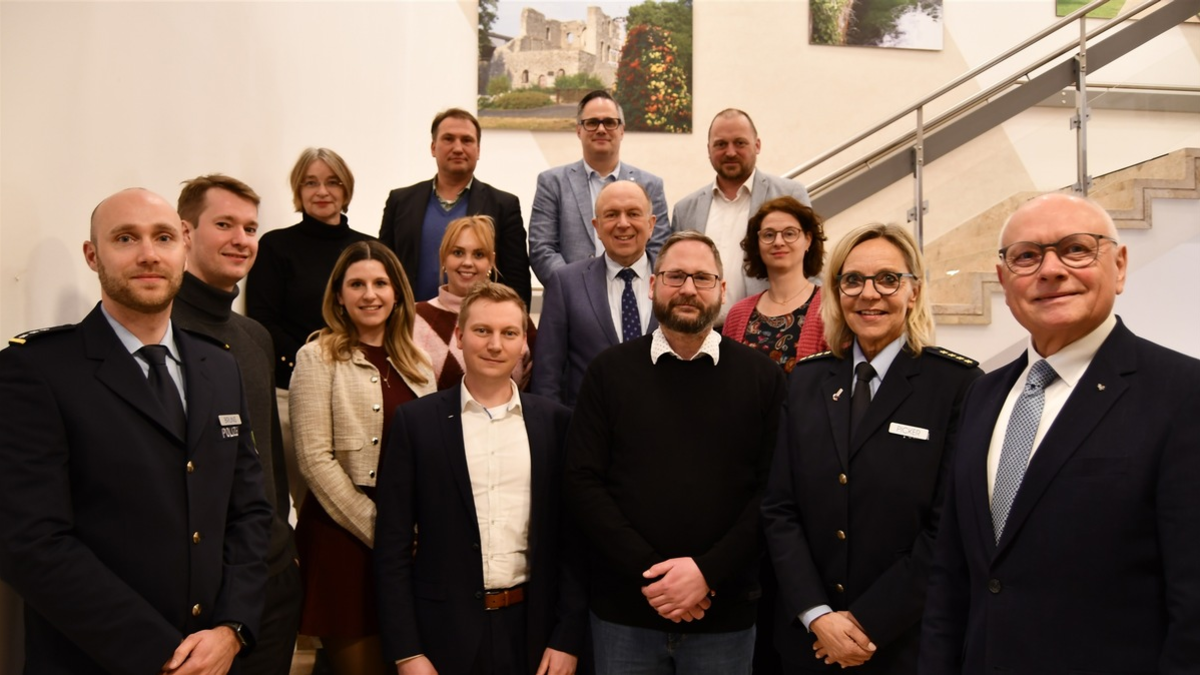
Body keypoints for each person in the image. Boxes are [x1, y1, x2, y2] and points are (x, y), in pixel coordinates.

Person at [919, 193, 1200, 673]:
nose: (1050, 270)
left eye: (1076, 249)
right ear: (1005, 280)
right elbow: (953, 573)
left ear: (1120, 266)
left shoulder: (1182, 394)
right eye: (1026, 256)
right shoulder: (982, 395)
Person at [0, 188, 271, 674]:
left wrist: (233, 629)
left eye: (163, 237)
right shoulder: (37, 370)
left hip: (215, 655)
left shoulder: (218, 366)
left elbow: (249, 512)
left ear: (183, 247)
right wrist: (162, 655)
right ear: (92, 255)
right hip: (98, 659)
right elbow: (32, 543)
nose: (148, 253)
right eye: (126, 238)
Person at [761, 223, 981, 674]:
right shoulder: (807, 380)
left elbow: (948, 527)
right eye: (853, 280)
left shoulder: (956, 385)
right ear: (837, 292)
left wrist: (866, 623)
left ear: (913, 291)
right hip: (809, 644)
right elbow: (780, 508)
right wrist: (817, 615)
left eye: (887, 279)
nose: (869, 294)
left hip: (902, 643)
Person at [564, 231, 786, 674]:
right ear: (651, 285)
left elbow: (774, 492)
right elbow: (582, 482)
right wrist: (656, 575)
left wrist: (706, 574)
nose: (688, 288)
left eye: (702, 278)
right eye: (675, 276)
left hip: (725, 615)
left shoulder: (763, 377)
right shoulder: (609, 372)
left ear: (723, 291)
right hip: (624, 613)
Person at [376, 281, 586, 675]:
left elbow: (573, 540)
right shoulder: (416, 423)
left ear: (524, 341)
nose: (495, 345)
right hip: (441, 636)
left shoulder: (556, 423)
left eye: (509, 333)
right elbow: (392, 546)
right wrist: (407, 651)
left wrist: (567, 637)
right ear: (459, 335)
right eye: (482, 331)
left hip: (534, 632)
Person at [174, 174, 303, 675]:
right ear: (186, 233)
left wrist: (284, 547)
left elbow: (267, 456)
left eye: (250, 228)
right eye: (224, 224)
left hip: (270, 574)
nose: (241, 239)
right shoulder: (163, 332)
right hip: (201, 585)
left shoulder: (254, 337)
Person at [288, 241, 436, 675]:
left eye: (380, 283)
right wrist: (385, 533)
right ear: (338, 295)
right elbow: (314, 461)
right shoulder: (317, 357)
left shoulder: (418, 363)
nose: (369, 294)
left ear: (396, 294)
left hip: (410, 540)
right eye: (356, 284)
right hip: (345, 541)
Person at [246, 147, 374, 506]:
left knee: (354, 498)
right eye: (311, 183)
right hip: (293, 390)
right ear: (298, 191)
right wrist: (316, 362)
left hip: (356, 389)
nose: (322, 191)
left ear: (346, 190)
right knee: (306, 502)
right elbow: (263, 321)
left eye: (332, 182)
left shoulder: (369, 250)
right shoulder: (275, 246)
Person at [379, 108, 531, 306]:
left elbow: (516, 279)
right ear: (433, 147)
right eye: (448, 139)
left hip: (478, 326)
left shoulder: (503, 206)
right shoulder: (400, 201)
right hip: (407, 325)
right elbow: (382, 268)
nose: (458, 148)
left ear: (478, 150)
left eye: (467, 140)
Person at [672, 109, 812, 321]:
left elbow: (812, 265)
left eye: (740, 143)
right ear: (708, 149)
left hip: (769, 330)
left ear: (757, 145)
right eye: (720, 144)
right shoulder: (685, 209)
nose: (730, 152)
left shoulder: (789, 194)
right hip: (700, 333)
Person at [531, 180, 659, 407]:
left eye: (633, 213)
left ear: (651, 224)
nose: (623, 223)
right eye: (611, 215)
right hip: (589, 432)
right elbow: (547, 375)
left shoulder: (674, 281)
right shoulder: (566, 283)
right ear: (596, 226)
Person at [528, 89, 670, 284]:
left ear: (622, 130)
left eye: (610, 122)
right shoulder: (552, 183)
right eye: (592, 123)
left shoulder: (650, 185)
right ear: (579, 130)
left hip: (634, 299)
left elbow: (659, 250)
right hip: (571, 304)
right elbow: (542, 249)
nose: (601, 129)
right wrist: (576, 290)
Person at [411, 215, 536, 391]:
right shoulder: (413, 317)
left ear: (491, 261)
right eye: (458, 253)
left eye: (478, 254)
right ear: (443, 257)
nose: (468, 263)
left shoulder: (516, 317)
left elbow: (532, 387)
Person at [722, 197, 829, 372]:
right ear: (757, 245)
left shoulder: (832, 306)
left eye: (789, 233)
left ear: (808, 240)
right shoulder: (737, 315)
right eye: (769, 235)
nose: (778, 242)